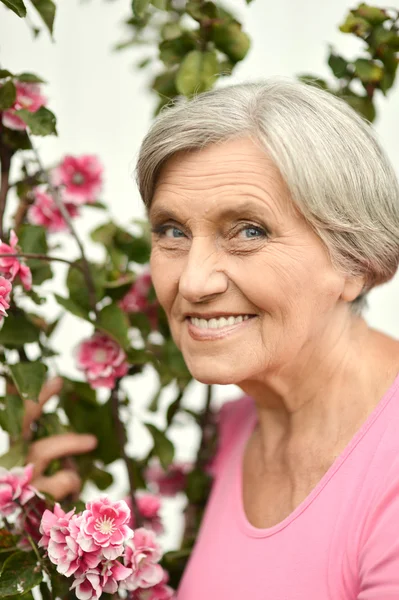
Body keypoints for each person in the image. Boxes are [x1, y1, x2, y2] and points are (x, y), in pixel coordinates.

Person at [27, 78, 399, 598]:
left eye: (248, 231)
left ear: (357, 261)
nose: (194, 282)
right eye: (172, 231)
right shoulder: (233, 428)